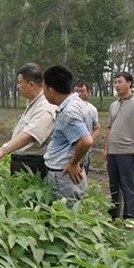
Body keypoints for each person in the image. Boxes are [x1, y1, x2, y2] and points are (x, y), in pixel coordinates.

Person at [0, 63, 56, 177]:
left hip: (34, 166)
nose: (18, 86)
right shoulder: (32, 103)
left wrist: (2, 151)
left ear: (31, 84)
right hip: (22, 163)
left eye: (20, 82)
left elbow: (30, 135)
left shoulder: (45, 107)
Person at [103, 72, 134, 226]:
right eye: (115, 82)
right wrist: (106, 148)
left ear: (129, 83)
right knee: (113, 186)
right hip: (113, 153)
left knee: (129, 187)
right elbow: (109, 128)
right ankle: (113, 216)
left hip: (128, 152)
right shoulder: (113, 105)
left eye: (120, 82)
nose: (116, 85)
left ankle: (130, 219)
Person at [43, 66, 93, 203]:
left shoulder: (68, 112)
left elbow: (86, 140)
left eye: (44, 88)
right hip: (71, 174)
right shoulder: (79, 103)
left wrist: (73, 163)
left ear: (51, 91)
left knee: (65, 216)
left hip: (64, 174)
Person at [73, 81, 101, 174]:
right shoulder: (68, 108)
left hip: (85, 151)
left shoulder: (92, 109)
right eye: (76, 91)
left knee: (83, 175)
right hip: (69, 150)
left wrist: (89, 142)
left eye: (82, 91)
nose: (79, 94)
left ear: (87, 93)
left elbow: (96, 128)